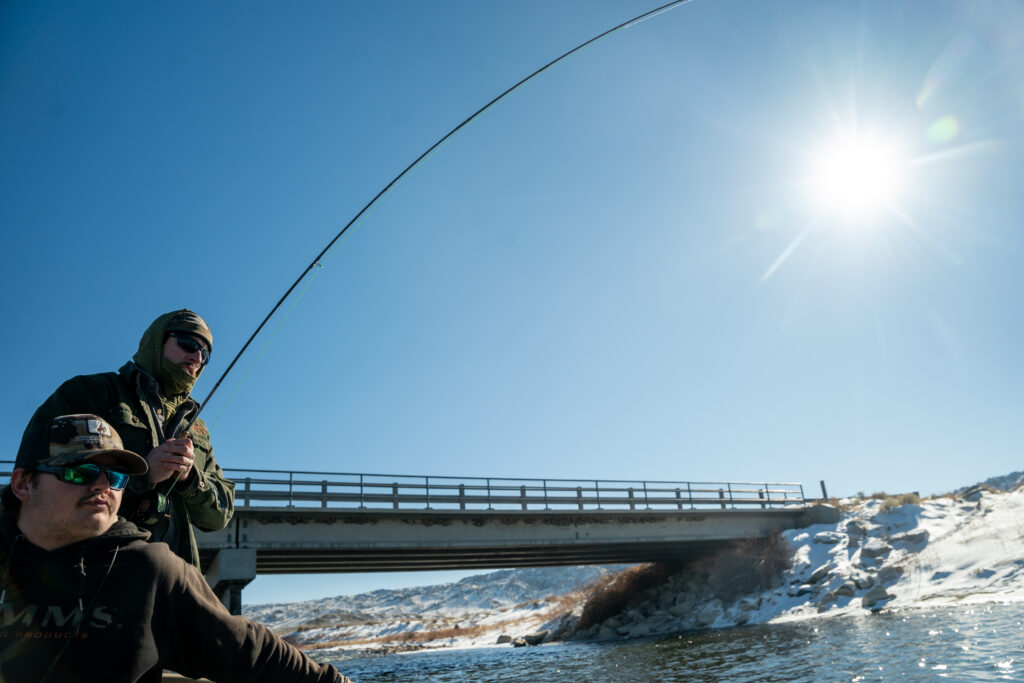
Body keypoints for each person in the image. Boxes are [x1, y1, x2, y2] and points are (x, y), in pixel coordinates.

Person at [0, 414, 349, 683]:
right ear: (22, 483)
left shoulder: (151, 568)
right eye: (81, 471)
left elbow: (249, 651)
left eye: (117, 476)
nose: (103, 485)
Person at [17, 309, 234, 568]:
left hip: (173, 586)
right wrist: (143, 475)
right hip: (89, 573)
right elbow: (38, 478)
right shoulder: (91, 393)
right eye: (189, 344)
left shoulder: (197, 428)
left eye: (205, 354)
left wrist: (189, 478)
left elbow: (219, 516)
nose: (197, 357)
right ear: (157, 341)